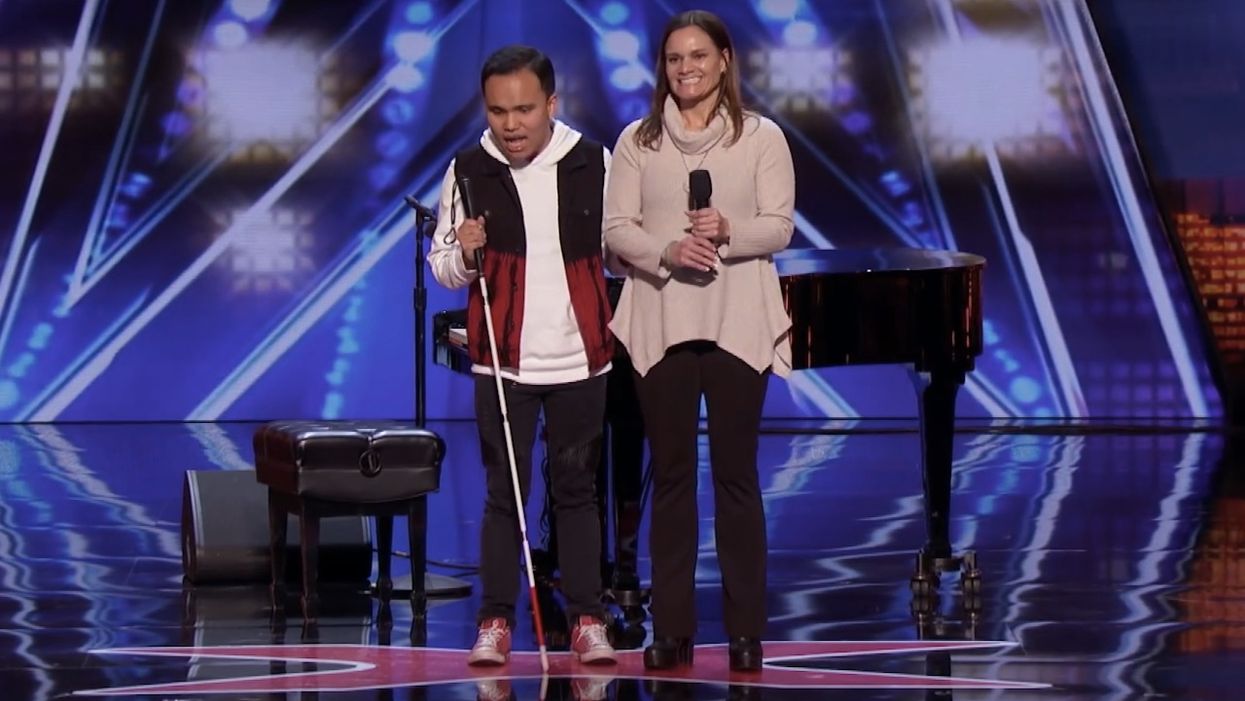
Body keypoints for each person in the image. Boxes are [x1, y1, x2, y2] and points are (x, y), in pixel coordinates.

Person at [603, 10, 795, 672]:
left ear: (723, 61)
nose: (684, 69)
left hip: (736, 319)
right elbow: (615, 230)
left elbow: (778, 226)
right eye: (673, 58)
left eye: (696, 56)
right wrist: (666, 248)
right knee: (673, 477)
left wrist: (726, 231)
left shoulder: (761, 138)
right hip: (661, 318)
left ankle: (745, 631)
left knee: (736, 476)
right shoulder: (638, 140)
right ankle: (673, 629)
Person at [427, 44, 617, 667]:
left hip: (580, 360)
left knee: (577, 492)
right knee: (503, 495)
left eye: (525, 110)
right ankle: (495, 622)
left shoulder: (593, 161)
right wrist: (467, 248)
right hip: (504, 362)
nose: (511, 125)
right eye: (498, 111)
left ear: (551, 105)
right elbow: (446, 269)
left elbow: (617, 254)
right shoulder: (468, 168)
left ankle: (588, 617)